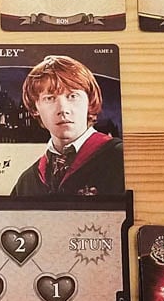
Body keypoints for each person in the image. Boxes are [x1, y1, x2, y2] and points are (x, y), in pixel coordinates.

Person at [10, 55, 124, 196]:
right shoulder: (27, 182)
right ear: (35, 108)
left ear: (89, 101)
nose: (63, 109)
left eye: (72, 96)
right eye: (50, 98)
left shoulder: (119, 159)